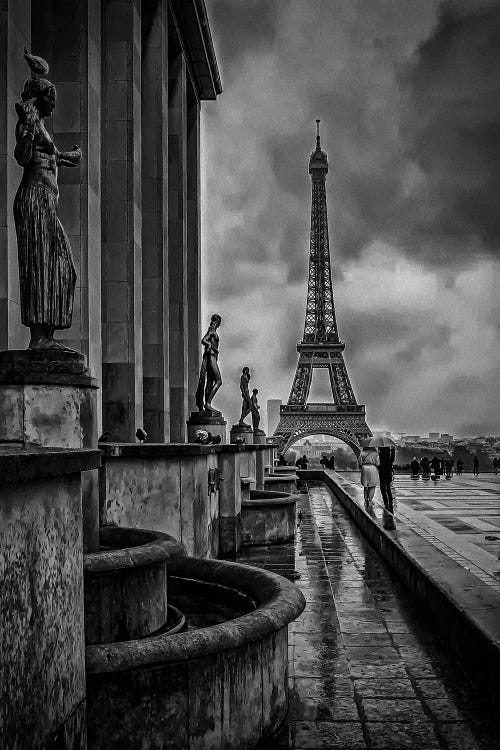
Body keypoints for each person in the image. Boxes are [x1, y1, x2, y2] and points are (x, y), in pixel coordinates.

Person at [14, 49, 82, 350]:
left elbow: (53, 155)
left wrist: (71, 156)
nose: (54, 102)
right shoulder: (29, 123)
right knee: (41, 265)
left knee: (64, 268)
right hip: (35, 199)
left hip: (46, 203)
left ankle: (47, 336)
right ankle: (39, 339)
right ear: (39, 99)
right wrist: (27, 131)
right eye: (50, 97)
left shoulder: (41, 126)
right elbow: (23, 156)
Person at [195, 314, 222, 413]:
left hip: (213, 356)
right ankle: (208, 403)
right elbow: (204, 340)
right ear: (218, 322)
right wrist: (209, 344)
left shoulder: (212, 330)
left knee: (210, 382)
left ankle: (207, 404)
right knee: (219, 381)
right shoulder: (212, 331)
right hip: (211, 357)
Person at [378, 446, 395, 513]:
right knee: (388, 489)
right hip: (388, 474)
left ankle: (386, 503)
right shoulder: (389, 458)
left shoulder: (380, 457)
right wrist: (393, 450)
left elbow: (377, 464)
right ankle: (390, 502)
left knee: (383, 489)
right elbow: (393, 458)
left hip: (382, 474)